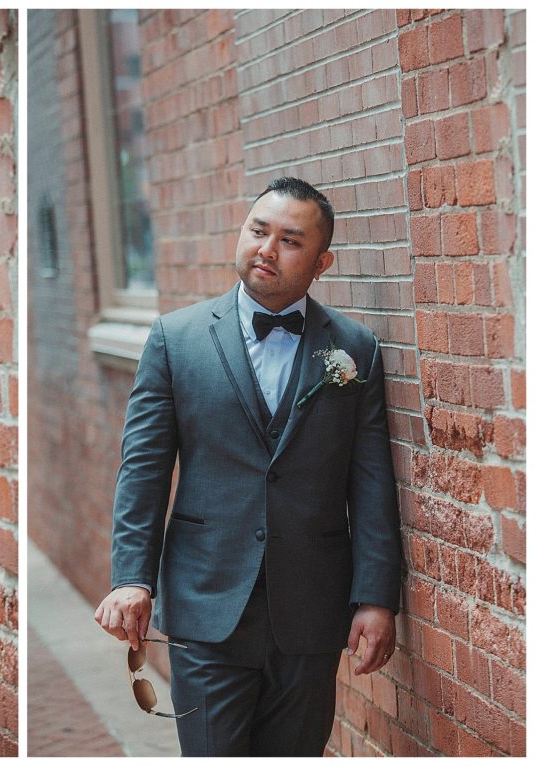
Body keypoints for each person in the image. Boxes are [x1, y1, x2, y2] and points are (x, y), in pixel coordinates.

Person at [95, 177, 402, 756]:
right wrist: (132, 578)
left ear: (321, 262)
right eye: (258, 231)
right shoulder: (175, 339)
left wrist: (375, 596)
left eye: (290, 240)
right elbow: (143, 470)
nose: (266, 249)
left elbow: (370, 483)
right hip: (206, 604)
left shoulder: (354, 349)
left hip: (311, 605)